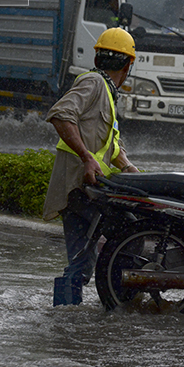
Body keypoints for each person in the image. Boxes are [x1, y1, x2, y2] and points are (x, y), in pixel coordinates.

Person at [44, 27, 140, 306]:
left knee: (81, 264)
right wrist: (86, 157)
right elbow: (60, 114)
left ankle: (64, 316)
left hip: (81, 189)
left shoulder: (107, 92)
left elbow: (111, 147)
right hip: (82, 189)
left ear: (98, 58)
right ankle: (120, 301)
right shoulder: (95, 84)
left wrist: (131, 170)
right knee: (130, 235)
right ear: (127, 65)